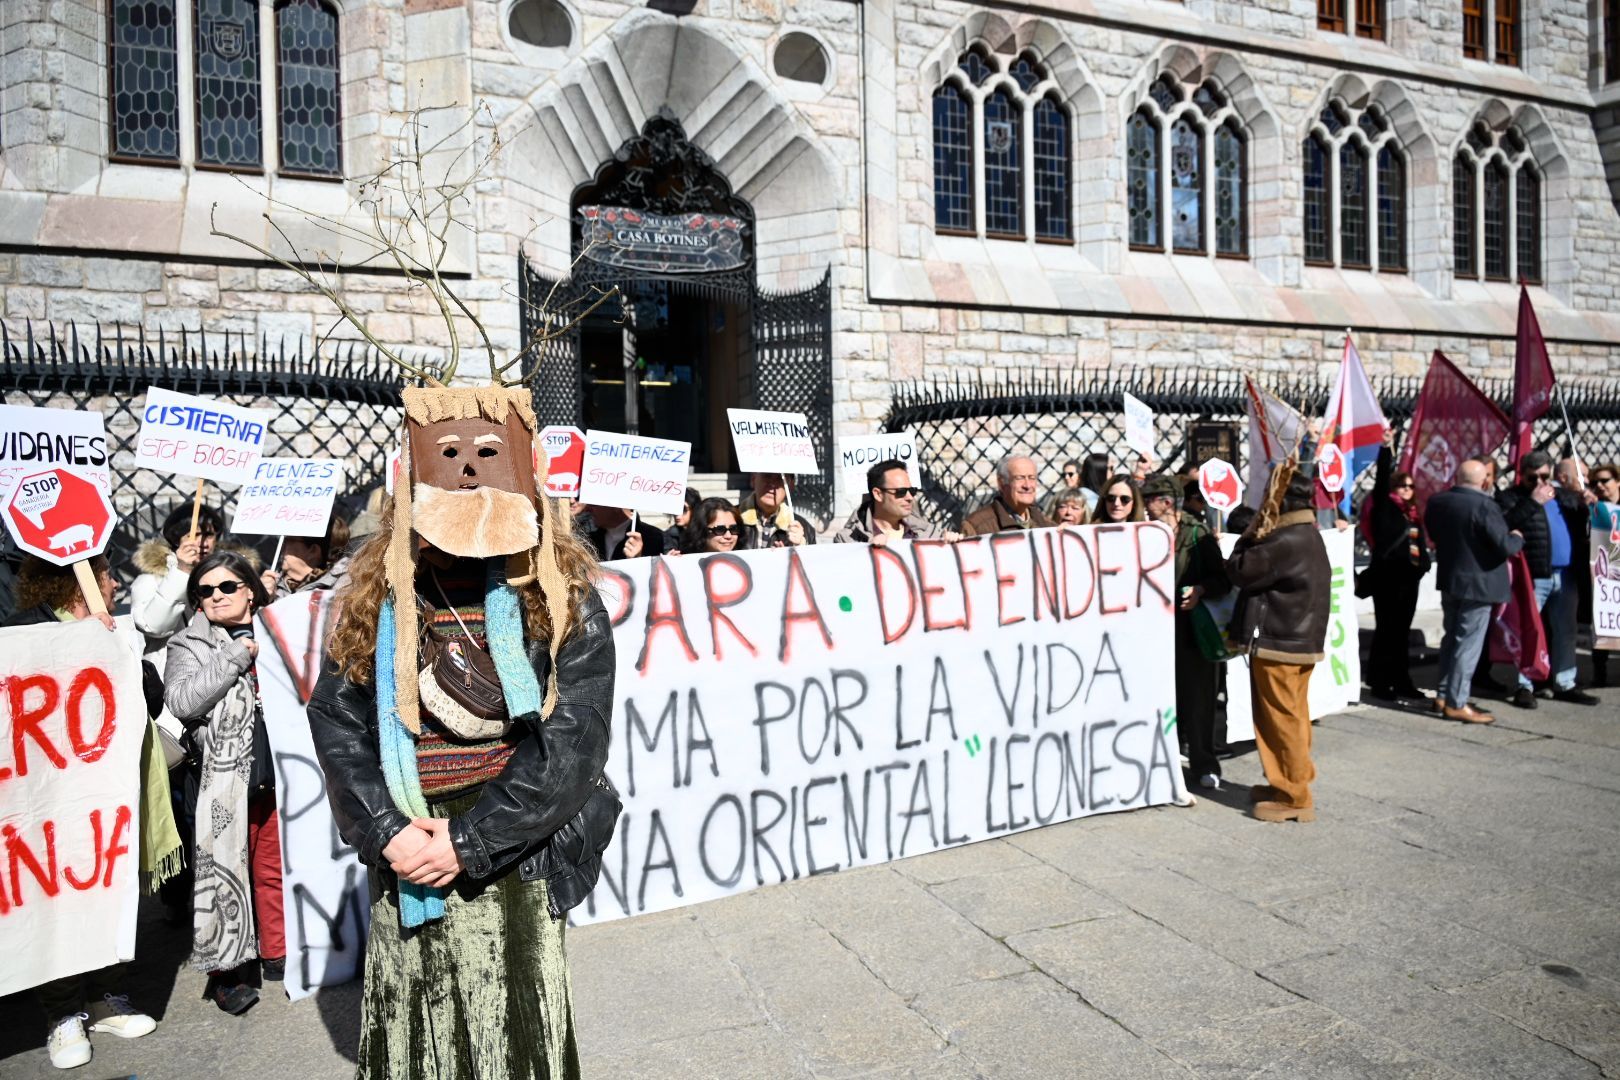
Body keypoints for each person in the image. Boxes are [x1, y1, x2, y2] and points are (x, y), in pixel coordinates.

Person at [307, 385, 614, 1079]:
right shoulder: (379, 594)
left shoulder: (564, 595)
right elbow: (338, 720)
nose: (470, 472)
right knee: (419, 1022)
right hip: (410, 840)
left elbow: (575, 739)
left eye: (486, 454)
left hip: (515, 843)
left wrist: (470, 841)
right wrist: (388, 830)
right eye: (450, 456)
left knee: (515, 1025)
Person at [5, 556, 173, 1070]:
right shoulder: (26, 632)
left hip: (106, 796)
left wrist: (118, 652)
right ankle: (62, 1015)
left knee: (110, 893)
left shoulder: (109, 629)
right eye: (104, 575)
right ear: (71, 582)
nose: (115, 582)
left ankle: (107, 998)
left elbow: (151, 695)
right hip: (52, 803)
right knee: (56, 905)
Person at [164, 551, 281, 1015]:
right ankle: (224, 974)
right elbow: (183, 701)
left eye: (226, 587)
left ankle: (279, 953)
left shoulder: (277, 628)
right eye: (206, 591)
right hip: (221, 779)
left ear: (249, 589)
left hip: (277, 769)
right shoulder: (186, 644)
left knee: (271, 869)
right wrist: (237, 654)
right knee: (220, 874)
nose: (216, 596)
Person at [1226, 463, 1331, 822]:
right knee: (1292, 716)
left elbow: (1240, 569)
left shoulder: (1283, 539)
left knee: (1281, 719)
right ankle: (1286, 781)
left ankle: (1293, 795)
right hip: (1296, 640)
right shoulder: (1305, 532)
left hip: (1280, 641)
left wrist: (1251, 531)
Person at [1142, 475, 1230, 789]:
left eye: (1148, 500)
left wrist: (1201, 590)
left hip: (1193, 634)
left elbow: (1223, 580)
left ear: (1166, 502)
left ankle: (1204, 763)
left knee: (1200, 701)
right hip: (1155, 636)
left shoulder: (1197, 534)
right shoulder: (1144, 534)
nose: (1144, 508)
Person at [1425, 460, 1525, 724]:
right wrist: (1517, 537)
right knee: (1467, 644)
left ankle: (1444, 695)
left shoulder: (1438, 501)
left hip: (1451, 579)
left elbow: (1434, 533)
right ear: (1484, 482)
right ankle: (1456, 702)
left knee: (1452, 639)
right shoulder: (1484, 505)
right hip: (1479, 584)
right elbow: (1504, 545)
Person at [1497, 450, 1599, 707]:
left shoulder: (1564, 497)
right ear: (1523, 477)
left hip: (1565, 575)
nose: (1540, 483)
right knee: (1529, 630)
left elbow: (1585, 524)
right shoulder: (1511, 497)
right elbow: (1504, 524)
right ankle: (1525, 684)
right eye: (1533, 478)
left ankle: (1565, 682)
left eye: (1545, 477)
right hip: (1534, 574)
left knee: (1566, 631)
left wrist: (1588, 504)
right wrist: (1532, 501)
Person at [1363, 429, 1431, 703]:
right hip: (1388, 579)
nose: (1407, 490)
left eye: (1410, 486)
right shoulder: (1385, 507)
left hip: (1409, 581)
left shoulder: (1412, 513)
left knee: (1401, 632)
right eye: (1402, 486)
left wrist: (1423, 564)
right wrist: (1385, 449)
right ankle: (1380, 681)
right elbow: (1380, 481)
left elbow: (1419, 544)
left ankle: (1402, 680)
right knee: (1386, 632)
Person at [131, 503, 224, 655]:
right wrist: (182, 572)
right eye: (194, 535)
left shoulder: (226, 575)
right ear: (176, 540)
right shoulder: (150, 580)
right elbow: (153, 626)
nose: (203, 543)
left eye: (208, 535)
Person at [834, 459, 949, 544]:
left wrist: (951, 546)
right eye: (901, 491)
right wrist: (868, 551)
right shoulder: (848, 540)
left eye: (912, 491)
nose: (910, 497)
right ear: (878, 494)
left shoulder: (928, 534)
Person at [961, 455, 1055, 536]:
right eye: (1019, 478)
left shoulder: (1047, 526)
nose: (1027, 485)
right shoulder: (977, 526)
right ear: (1001, 483)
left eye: (1032, 478)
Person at [265, 515, 353, 597]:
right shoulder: (272, 582)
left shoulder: (342, 591)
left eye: (289, 540)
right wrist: (259, 597)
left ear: (313, 551)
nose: (282, 544)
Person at [1591, 463, 1620, 687]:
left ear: (1617, 481)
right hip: (1604, 575)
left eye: (1604, 481)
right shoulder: (1594, 509)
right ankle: (1599, 671)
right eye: (1595, 483)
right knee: (1602, 622)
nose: (1599, 486)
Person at [738, 473, 816, 548]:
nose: (772, 484)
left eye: (779, 478)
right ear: (753, 479)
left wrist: (799, 548)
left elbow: (812, 560)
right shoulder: (733, 520)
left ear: (791, 485)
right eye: (767, 475)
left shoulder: (806, 530)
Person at [580, 503, 665, 560]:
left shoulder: (654, 537)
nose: (588, 509)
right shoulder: (590, 538)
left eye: (594, 505)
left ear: (615, 507)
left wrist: (638, 558)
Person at [680, 497, 745, 554]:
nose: (728, 536)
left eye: (734, 529)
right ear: (702, 531)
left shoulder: (748, 560)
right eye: (720, 530)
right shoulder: (684, 563)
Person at [664, 487, 701, 552]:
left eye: (684, 510)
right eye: (675, 510)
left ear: (694, 509)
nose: (677, 516)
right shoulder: (670, 534)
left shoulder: (703, 531)